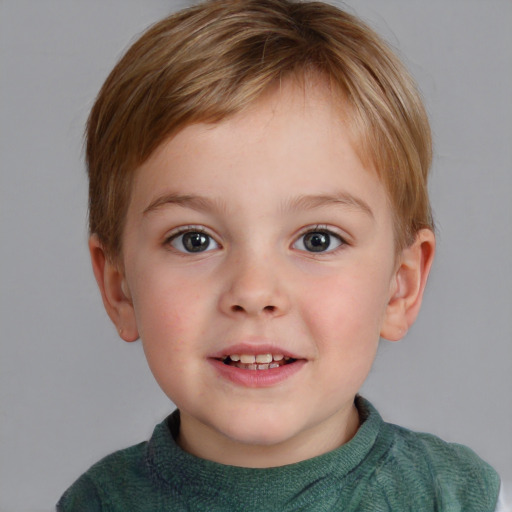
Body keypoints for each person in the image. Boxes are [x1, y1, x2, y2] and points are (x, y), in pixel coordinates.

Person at [57, 0, 506, 510]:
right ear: (119, 287)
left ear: (400, 286)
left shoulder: (463, 498)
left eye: (318, 239)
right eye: (194, 240)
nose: (253, 292)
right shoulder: (98, 503)